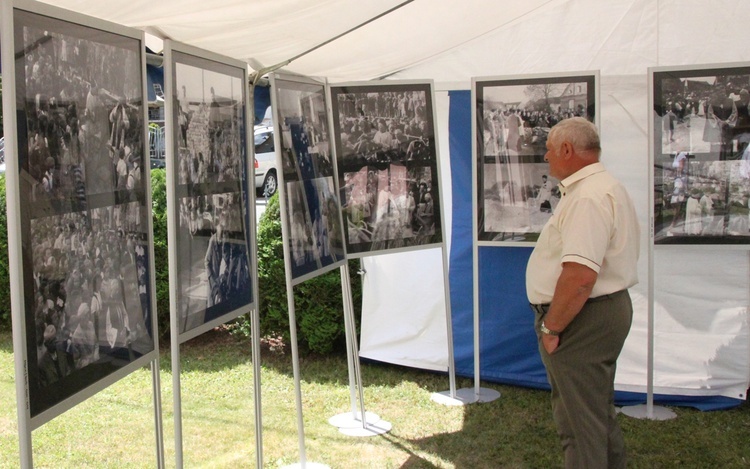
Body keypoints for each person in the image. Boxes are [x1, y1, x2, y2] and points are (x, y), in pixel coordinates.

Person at [525, 117, 640, 468]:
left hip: (582, 318)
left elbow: (579, 277)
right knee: (595, 416)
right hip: (597, 312)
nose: (546, 157)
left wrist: (552, 328)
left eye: (548, 150)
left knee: (579, 426)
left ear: (566, 149)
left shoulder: (588, 197)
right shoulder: (601, 187)